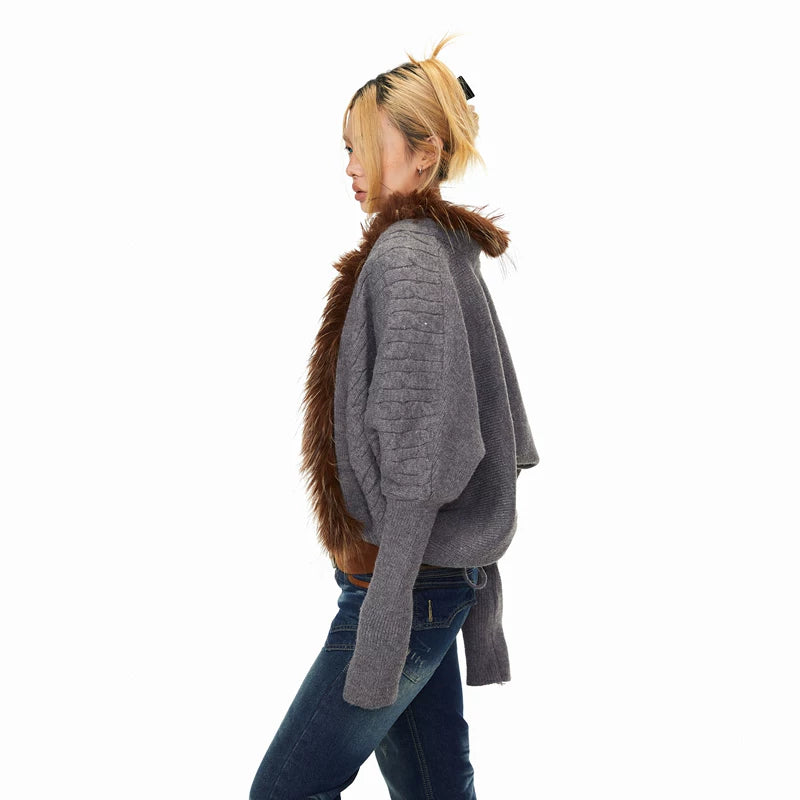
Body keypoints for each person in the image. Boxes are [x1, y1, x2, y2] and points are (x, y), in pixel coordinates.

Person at [249, 33, 539, 800]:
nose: (348, 166)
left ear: (423, 152)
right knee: (437, 790)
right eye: (344, 148)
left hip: (405, 582)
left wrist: (386, 605)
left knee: (284, 790)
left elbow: (421, 452)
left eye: (361, 146)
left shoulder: (407, 256)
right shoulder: (435, 249)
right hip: (423, 576)